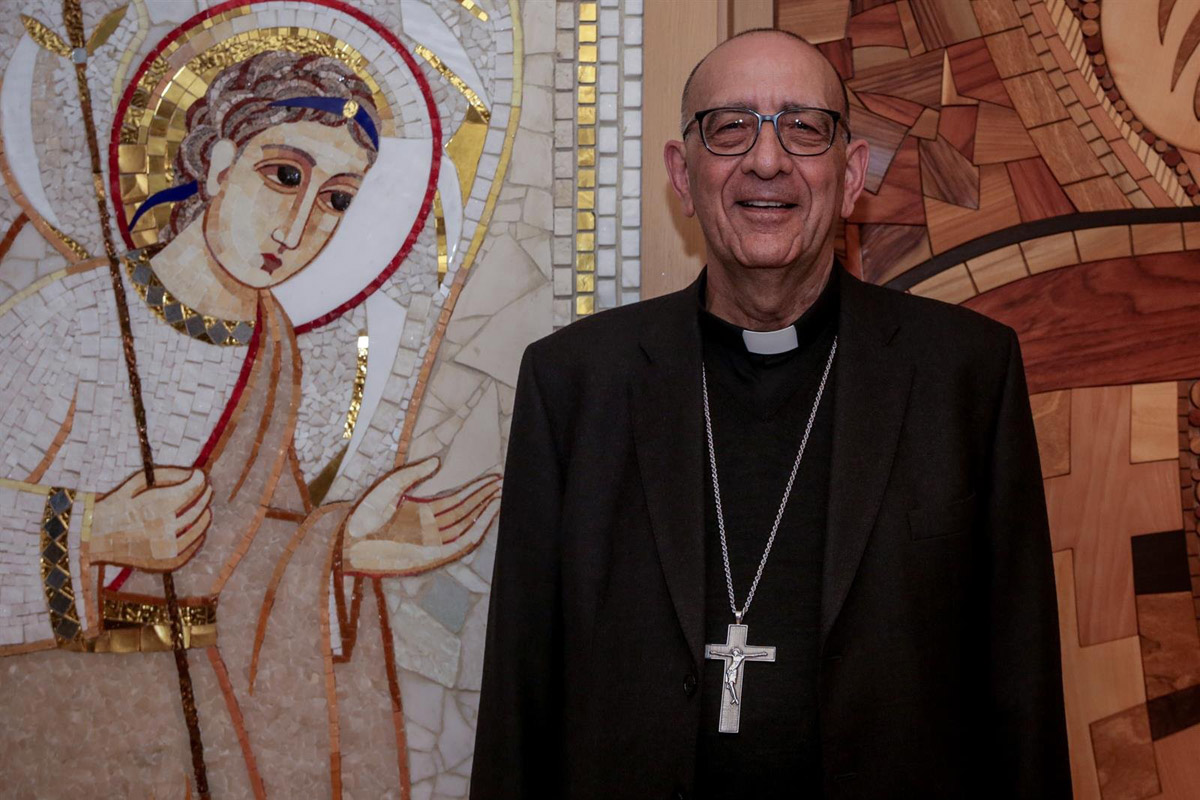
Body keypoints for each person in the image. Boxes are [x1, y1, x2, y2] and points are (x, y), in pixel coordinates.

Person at [472, 29, 1070, 798]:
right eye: (729, 129)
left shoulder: (966, 374)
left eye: (804, 128)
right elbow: (520, 699)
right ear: (682, 177)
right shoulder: (574, 384)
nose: (766, 160)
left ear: (851, 176)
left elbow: (1021, 691)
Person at [0, 50, 498, 796]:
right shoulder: (68, 318)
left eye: (336, 200)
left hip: (193, 719)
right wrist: (96, 532)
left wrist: (340, 548)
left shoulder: (271, 347)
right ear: (219, 158)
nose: (298, 226)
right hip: (61, 720)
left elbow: (237, 558)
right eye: (285, 175)